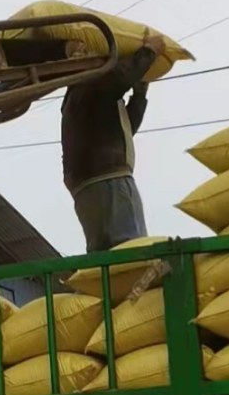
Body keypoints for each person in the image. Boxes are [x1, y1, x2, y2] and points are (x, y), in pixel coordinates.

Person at [61, 39, 161, 251]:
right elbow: (120, 78)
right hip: (107, 179)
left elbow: (124, 129)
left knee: (106, 255)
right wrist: (148, 52)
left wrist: (139, 95)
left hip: (91, 183)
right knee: (132, 249)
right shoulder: (90, 82)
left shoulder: (85, 95)